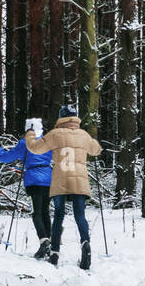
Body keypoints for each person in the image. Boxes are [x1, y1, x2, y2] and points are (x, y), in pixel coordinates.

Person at [24, 105, 101, 269]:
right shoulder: (83, 135)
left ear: (62, 118)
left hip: (61, 181)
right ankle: (85, 243)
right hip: (79, 181)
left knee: (58, 216)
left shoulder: (55, 134)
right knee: (80, 215)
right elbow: (96, 150)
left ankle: (54, 253)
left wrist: (30, 133)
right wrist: (92, 141)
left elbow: (34, 148)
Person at [0, 117, 53, 259]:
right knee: (45, 212)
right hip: (48, 179)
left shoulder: (24, 143)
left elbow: (7, 157)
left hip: (33, 180)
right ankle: (50, 242)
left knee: (36, 213)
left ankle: (44, 241)